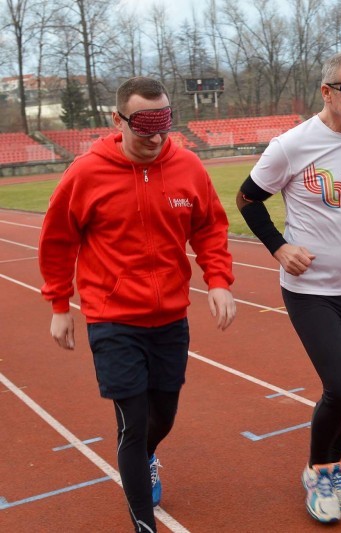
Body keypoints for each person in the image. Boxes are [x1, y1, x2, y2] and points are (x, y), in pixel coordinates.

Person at [39, 76, 236, 532]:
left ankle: (148, 455)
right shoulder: (87, 173)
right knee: (133, 420)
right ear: (118, 119)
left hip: (170, 317)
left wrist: (220, 281)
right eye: (144, 124)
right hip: (113, 320)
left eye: (164, 122)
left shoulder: (187, 166)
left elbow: (209, 228)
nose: (155, 135)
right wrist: (58, 305)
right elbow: (57, 241)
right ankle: (143, 524)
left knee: (162, 414)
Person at [236, 51, 341, 524]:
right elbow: (247, 200)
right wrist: (279, 247)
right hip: (311, 289)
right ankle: (316, 471)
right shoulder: (292, 146)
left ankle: (333, 467)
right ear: (327, 92)